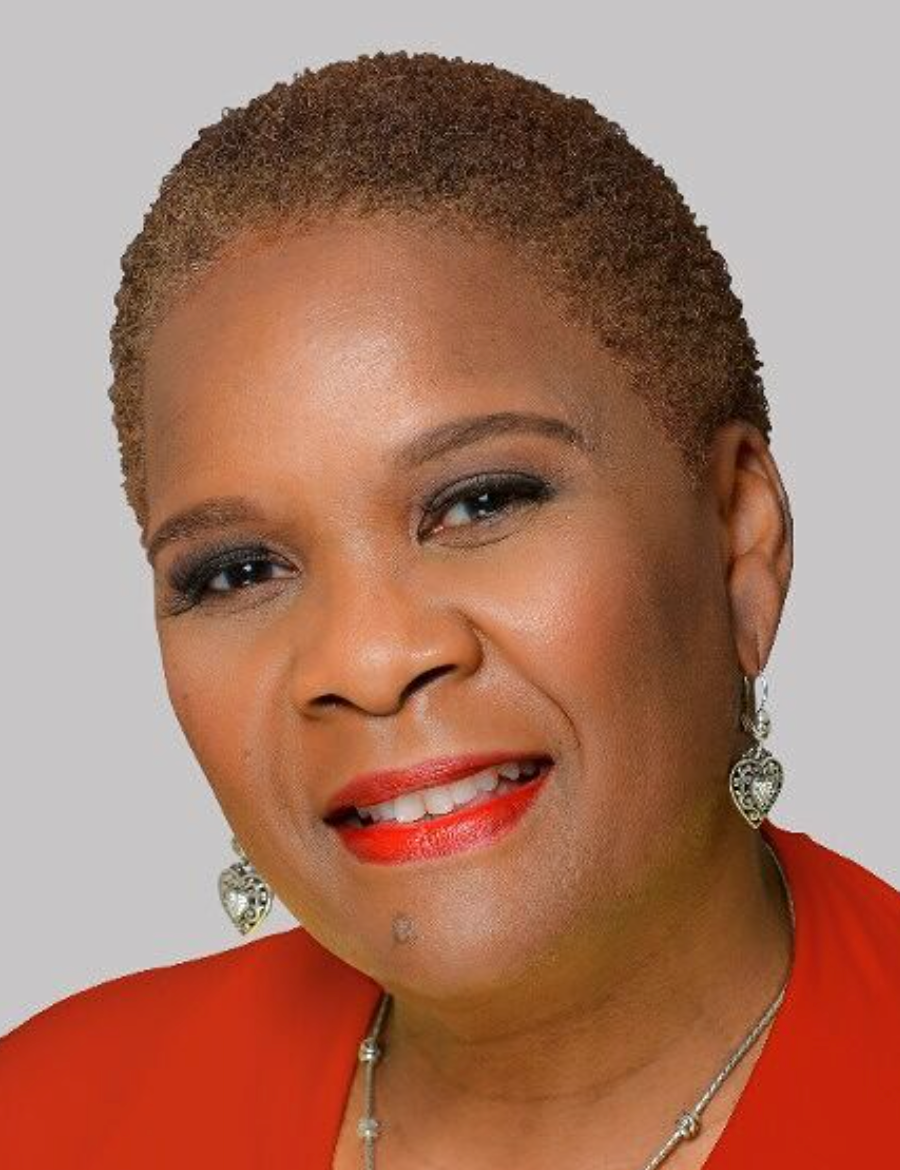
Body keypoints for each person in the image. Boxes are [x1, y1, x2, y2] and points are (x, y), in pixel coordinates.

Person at [1, 49, 897, 1170]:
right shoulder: (47, 1120)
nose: (369, 659)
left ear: (737, 536)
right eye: (239, 571)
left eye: (480, 502)